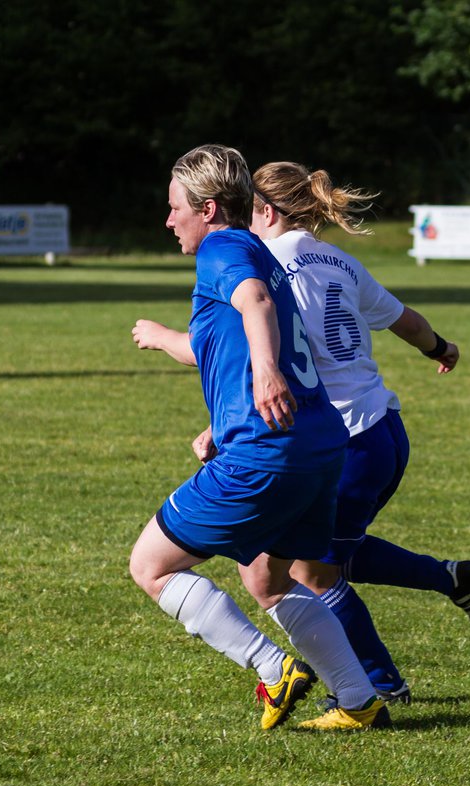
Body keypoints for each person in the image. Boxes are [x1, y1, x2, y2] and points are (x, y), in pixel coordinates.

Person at [134, 160, 470, 706]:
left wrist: (236, 393)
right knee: (292, 569)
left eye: (175, 208)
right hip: (369, 432)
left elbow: (264, 334)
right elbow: (402, 323)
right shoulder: (331, 262)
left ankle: (356, 680)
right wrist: (439, 347)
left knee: (304, 571)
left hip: (309, 435)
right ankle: (386, 661)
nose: (168, 220)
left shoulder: (249, 257)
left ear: (262, 210)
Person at [127, 144, 389, 731]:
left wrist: (266, 374)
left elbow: (255, 304)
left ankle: (274, 669)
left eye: (175, 208)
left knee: (151, 566)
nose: (169, 220)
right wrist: (171, 344)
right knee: (267, 577)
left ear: (209, 208)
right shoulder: (259, 251)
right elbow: (224, 344)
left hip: (269, 449)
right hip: (316, 444)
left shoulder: (222, 248)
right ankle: (358, 701)